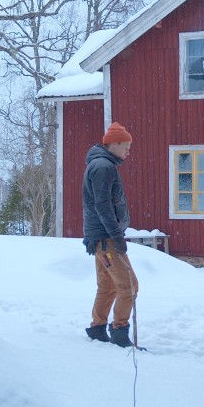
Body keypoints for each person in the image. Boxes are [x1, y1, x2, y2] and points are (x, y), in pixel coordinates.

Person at [82, 122, 139, 348]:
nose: (128, 151)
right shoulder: (103, 167)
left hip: (101, 237)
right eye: (125, 146)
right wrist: (117, 236)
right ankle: (119, 332)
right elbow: (102, 204)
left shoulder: (101, 164)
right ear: (113, 144)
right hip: (106, 238)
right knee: (129, 286)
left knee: (108, 286)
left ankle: (98, 328)